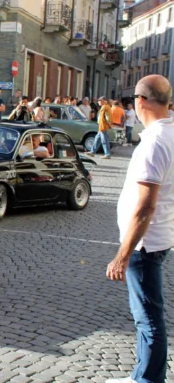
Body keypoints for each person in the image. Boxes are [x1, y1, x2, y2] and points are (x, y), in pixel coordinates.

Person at [105, 75, 174, 383]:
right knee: (147, 316)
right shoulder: (167, 134)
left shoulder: (156, 141)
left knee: (148, 319)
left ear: (141, 101)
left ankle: (148, 380)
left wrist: (123, 254)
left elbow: (146, 206)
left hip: (145, 245)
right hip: (158, 238)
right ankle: (142, 377)